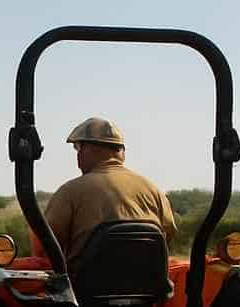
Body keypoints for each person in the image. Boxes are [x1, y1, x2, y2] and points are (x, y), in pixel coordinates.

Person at [31, 116, 177, 270]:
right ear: (121, 152)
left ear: (91, 149)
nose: (77, 155)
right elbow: (167, 237)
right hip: (148, 289)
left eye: (78, 148)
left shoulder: (70, 192)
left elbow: (43, 249)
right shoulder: (154, 191)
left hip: (86, 291)